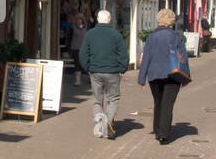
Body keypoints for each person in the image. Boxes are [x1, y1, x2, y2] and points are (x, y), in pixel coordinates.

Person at [138, 8, 191, 144]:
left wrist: (142, 78)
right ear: (172, 21)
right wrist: (186, 77)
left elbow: (146, 57)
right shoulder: (177, 36)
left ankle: (157, 129)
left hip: (154, 74)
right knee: (168, 104)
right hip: (173, 74)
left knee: (158, 101)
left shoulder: (151, 37)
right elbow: (183, 57)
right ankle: (163, 133)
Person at [79, 9, 128, 139]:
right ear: (109, 19)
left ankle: (101, 120)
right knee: (113, 98)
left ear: (97, 19)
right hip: (112, 71)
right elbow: (123, 53)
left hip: (95, 71)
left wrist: (87, 67)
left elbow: (83, 53)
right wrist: (122, 68)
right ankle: (108, 120)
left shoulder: (90, 34)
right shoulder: (116, 35)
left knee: (97, 99)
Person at [69, 17, 89, 84]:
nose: (78, 20)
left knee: (86, 64)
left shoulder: (86, 28)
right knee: (77, 64)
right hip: (75, 48)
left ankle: (91, 79)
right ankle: (78, 80)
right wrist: (69, 48)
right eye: (77, 19)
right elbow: (69, 38)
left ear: (83, 20)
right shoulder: (73, 28)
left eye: (80, 19)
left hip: (84, 49)